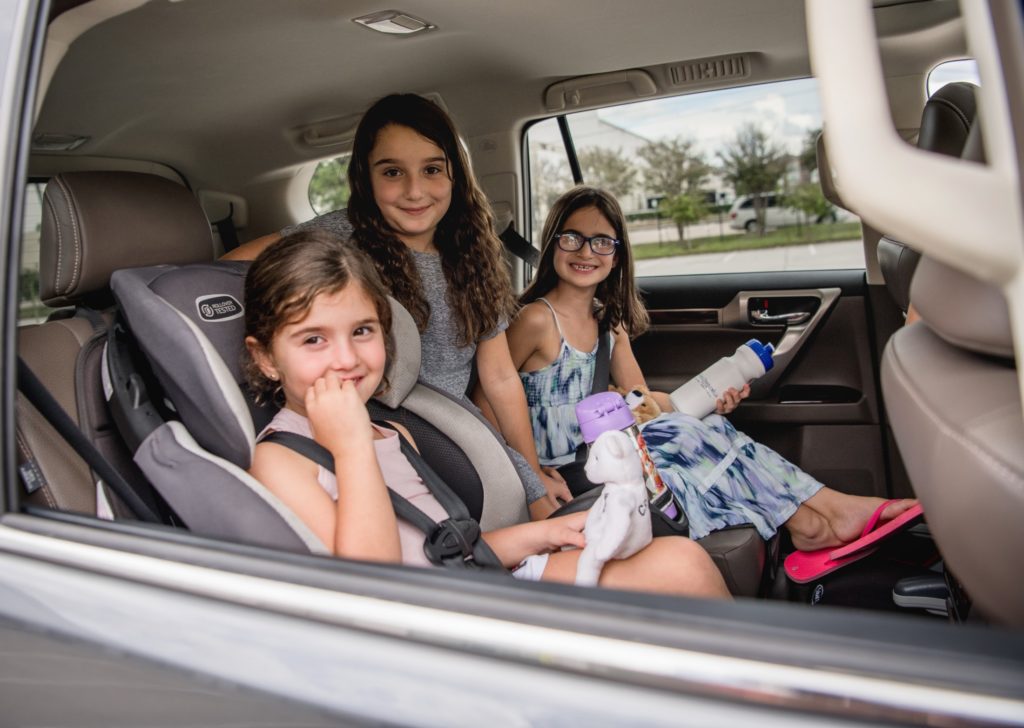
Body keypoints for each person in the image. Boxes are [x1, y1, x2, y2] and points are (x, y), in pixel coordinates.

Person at [242, 229, 729, 597]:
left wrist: (544, 532)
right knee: (680, 570)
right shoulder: (281, 460)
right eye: (313, 339)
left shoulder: (391, 432)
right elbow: (376, 588)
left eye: (363, 331)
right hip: (432, 622)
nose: (346, 358)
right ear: (265, 358)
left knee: (683, 563)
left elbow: (446, 549)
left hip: (474, 583)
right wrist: (350, 448)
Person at [506, 186, 917, 550]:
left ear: (617, 256)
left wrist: (709, 403)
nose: (585, 252)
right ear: (553, 243)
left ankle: (811, 520)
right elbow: (491, 398)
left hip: (612, 449)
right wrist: (531, 475)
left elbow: (643, 406)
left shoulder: (609, 324)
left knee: (709, 425)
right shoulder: (537, 320)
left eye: (601, 242)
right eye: (572, 238)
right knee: (682, 433)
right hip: (569, 465)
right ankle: (826, 514)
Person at [226, 93, 569, 518]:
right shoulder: (343, 235)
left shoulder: (473, 252)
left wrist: (531, 474)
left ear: (456, 175)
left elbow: (499, 377)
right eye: (392, 172)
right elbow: (233, 266)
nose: (414, 191)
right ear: (365, 178)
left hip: (460, 433)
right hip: (404, 432)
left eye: (432, 170)